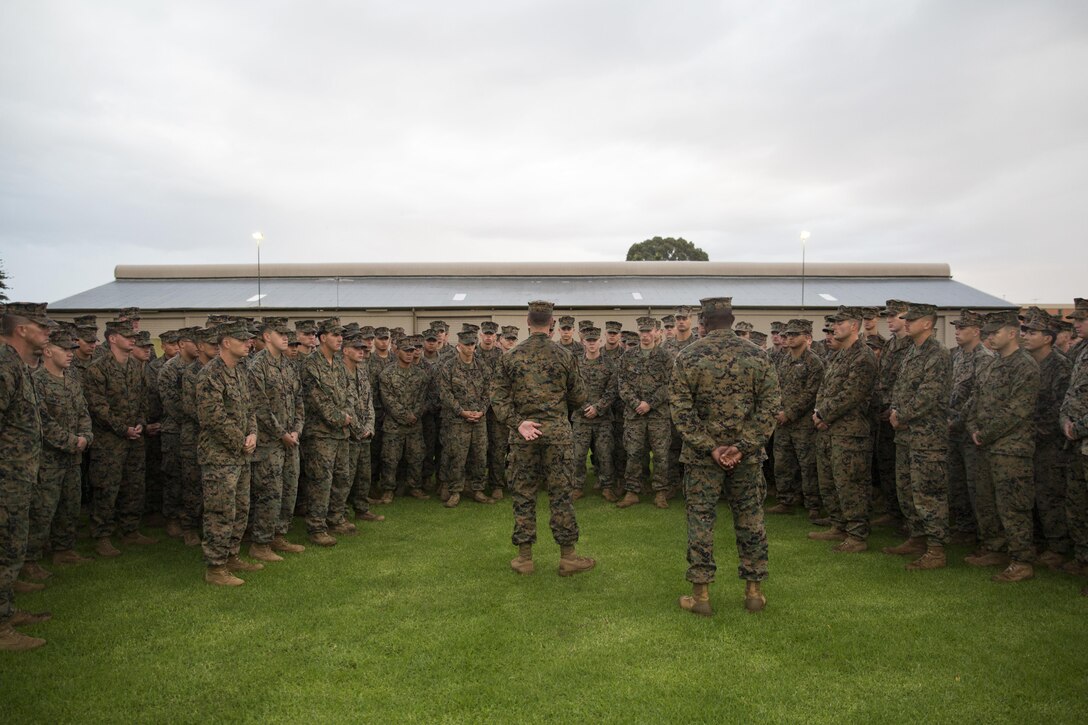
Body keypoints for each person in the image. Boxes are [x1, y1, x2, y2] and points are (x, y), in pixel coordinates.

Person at [670, 296, 780, 616]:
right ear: (732, 321)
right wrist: (743, 446)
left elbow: (681, 411)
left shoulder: (688, 356)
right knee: (750, 519)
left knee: (701, 521)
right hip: (746, 457)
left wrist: (710, 446)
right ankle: (754, 592)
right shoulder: (757, 356)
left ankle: (701, 595)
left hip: (703, 458)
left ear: (703, 323)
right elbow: (769, 408)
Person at [491, 300, 594, 577]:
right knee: (561, 495)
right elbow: (580, 397)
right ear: (552, 323)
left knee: (523, 494)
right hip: (557, 435)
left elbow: (498, 398)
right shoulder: (565, 355)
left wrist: (519, 422)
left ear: (527, 321)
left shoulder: (511, 357)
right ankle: (568, 557)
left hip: (523, 434)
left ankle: (525, 559)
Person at [965, 310, 1041, 582]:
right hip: (985, 446)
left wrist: (985, 433)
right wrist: (974, 427)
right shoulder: (991, 363)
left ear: (1012, 333)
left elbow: (1017, 410)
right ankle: (996, 549)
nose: (990, 337)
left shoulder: (1025, 366)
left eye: (995, 332)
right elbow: (975, 399)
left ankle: (1021, 561)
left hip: (1011, 449)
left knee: (1013, 506)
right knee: (986, 501)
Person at [23, 327, 93, 584]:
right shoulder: (36, 381)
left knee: (70, 505)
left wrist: (86, 436)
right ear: (48, 351)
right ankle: (29, 560)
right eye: (65, 350)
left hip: (73, 458)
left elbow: (83, 413)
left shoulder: (72, 382)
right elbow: (43, 422)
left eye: (72, 350)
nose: (70, 354)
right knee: (42, 510)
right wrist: (72, 441)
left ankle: (64, 550)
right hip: (49, 460)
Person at [0, 302, 52, 652]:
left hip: (18, 476)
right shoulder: (4, 367)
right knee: (3, 547)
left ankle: (7, 611)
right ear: (21, 329)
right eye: (42, 327)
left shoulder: (15, 365)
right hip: (6, 477)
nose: (47, 333)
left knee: (11, 546)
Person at [885, 303, 953, 570]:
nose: (907, 323)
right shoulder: (913, 351)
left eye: (912, 320)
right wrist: (895, 411)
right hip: (906, 435)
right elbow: (901, 388)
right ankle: (917, 537)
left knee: (929, 492)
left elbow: (929, 395)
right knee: (907, 490)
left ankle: (936, 549)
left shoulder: (938, 353)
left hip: (927, 437)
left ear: (927, 323)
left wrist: (902, 415)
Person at [809, 307, 878, 552]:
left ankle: (857, 535)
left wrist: (824, 414)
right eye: (834, 323)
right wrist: (819, 414)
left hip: (850, 432)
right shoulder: (837, 356)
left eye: (840, 323)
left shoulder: (864, 357)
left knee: (851, 482)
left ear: (854, 327)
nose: (834, 327)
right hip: (829, 429)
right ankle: (838, 525)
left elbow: (852, 394)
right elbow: (825, 389)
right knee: (830, 480)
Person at [83, 319, 155, 557]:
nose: (132, 338)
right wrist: (122, 428)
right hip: (109, 441)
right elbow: (98, 407)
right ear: (112, 338)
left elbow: (143, 399)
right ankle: (102, 535)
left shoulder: (136, 367)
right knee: (106, 487)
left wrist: (140, 424)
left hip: (135, 438)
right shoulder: (98, 368)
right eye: (126, 335)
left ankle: (130, 530)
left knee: (134, 485)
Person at [196, 321, 259, 586]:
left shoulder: (240, 371)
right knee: (220, 511)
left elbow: (249, 409)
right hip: (219, 457)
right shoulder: (211, 374)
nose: (248, 344)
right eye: (242, 340)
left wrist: (253, 433)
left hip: (241, 455)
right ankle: (216, 567)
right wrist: (240, 440)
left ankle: (232, 555)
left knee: (241, 508)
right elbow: (213, 416)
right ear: (226, 342)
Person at [247, 317, 306, 561]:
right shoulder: (256, 366)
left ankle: (278, 535)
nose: (285, 337)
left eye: (287, 334)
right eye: (279, 333)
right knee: (269, 492)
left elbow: (298, 400)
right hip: (269, 443)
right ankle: (260, 543)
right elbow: (259, 407)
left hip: (291, 441)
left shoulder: (289, 365)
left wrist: (296, 430)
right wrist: (281, 433)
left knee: (289, 490)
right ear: (266, 336)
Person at [1020, 309, 1072, 569]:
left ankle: (1058, 546)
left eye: (1033, 332)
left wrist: (1034, 430)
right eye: (1025, 331)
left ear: (1048, 338)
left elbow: (1059, 407)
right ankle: (1038, 541)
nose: (1026, 336)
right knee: (1031, 494)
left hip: (1050, 443)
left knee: (1050, 494)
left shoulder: (1059, 365)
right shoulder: (1028, 362)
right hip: (1028, 440)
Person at [300, 320, 354, 545]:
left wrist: (348, 414)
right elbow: (317, 400)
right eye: (334, 335)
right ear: (322, 338)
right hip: (320, 433)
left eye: (341, 335)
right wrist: (342, 418)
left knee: (342, 477)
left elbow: (349, 392)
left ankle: (336, 517)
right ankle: (316, 527)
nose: (340, 338)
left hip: (341, 433)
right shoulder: (311, 364)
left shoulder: (340, 364)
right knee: (321, 480)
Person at [768, 319, 824, 519]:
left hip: (803, 423)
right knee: (782, 462)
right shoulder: (784, 359)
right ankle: (786, 500)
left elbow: (811, 393)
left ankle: (813, 505)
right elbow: (776, 387)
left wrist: (789, 413)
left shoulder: (814, 362)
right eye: (787, 335)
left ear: (807, 337)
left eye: (794, 335)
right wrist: (778, 410)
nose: (789, 338)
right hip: (782, 422)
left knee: (808, 465)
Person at [946, 310, 994, 544]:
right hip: (952, 431)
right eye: (955, 327)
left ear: (976, 331)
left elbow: (976, 397)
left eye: (961, 328)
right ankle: (964, 530)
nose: (956, 331)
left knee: (978, 488)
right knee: (957, 484)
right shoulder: (958, 356)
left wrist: (956, 421)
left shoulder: (984, 358)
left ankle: (987, 539)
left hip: (970, 432)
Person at [617, 316, 673, 509]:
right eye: (642, 331)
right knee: (633, 453)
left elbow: (670, 384)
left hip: (658, 415)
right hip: (634, 416)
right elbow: (622, 384)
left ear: (656, 332)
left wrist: (650, 403)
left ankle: (660, 492)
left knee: (660, 455)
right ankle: (632, 491)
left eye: (649, 331)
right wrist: (636, 404)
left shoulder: (665, 357)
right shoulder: (628, 356)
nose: (645, 335)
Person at [436, 330, 493, 507]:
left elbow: (489, 391)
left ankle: (477, 489)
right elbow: (445, 393)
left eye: (472, 344)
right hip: (457, 420)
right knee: (457, 456)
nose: (469, 348)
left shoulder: (482, 367)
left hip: (478, 420)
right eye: (466, 345)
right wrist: (461, 411)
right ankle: (455, 491)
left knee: (479, 456)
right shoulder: (449, 367)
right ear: (458, 346)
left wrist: (482, 411)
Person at [377, 336, 429, 502]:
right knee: (390, 459)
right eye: (406, 350)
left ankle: (414, 486)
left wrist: (415, 415)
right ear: (397, 351)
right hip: (394, 425)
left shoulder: (421, 375)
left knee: (416, 457)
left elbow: (423, 398)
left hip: (415, 424)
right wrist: (406, 416)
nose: (409, 354)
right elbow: (388, 400)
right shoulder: (387, 374)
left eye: (412, 351)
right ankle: (388, 489)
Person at [1059, 298, 1088, 591]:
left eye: (1081, 319)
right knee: (1077, 503)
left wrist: (1078, 427)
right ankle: (1082, 558)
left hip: (1081, 434)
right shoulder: (1082, 351)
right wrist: (1066, 422)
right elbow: (1072, 394)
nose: (1076, 324)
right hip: (1076, 441)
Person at [572, 327, 618, 501]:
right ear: (583, 342)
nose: (592, 344)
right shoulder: (575, 363)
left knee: (605, 453)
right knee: (578, 455)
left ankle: (607, 487)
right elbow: (571, 389)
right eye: (588, 341)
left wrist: (598, 408)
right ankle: (577, 487)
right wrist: (584, 407)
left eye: (595, 340)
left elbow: (612, 390)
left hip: (603, 418)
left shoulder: (609, 364)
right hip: (581, 418)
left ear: (600, 341)